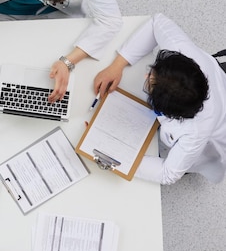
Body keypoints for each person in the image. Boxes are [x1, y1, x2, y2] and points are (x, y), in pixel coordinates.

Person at [94, 14, 226, 185]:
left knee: (185, 159)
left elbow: (168, 174)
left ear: (167, 110)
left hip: (216, 135)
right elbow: (157, 22)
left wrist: (117, 155)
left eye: (150, 81)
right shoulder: (182, 53)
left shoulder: (195, 133)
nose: (145, 75)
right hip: (218, 83)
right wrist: (117, 65)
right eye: (152, 72)